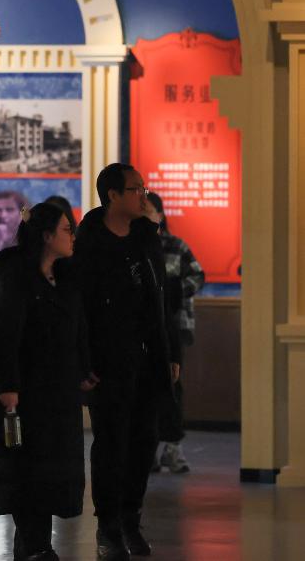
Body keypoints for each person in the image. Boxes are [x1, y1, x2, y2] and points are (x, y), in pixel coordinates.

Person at [74, 164, 182, 560]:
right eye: (135, 189)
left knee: (143, 442)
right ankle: (108, 527)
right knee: (111, 444)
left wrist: (171, 353)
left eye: (143, 188)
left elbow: (160, 299)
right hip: (107, 362)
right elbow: (80, 310)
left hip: (148, 359)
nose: (143, 195)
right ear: (114, 195)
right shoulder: (88, 242)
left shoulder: (146, 238)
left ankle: (131, 520)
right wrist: (83, 362)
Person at [0, 202, 93, 561]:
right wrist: (9, 387)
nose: (72, 237)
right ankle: (35, 547)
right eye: (67, 229)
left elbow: (77, 331)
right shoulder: (17, 279)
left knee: (52, 471)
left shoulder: (63, 280)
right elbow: (4, 337)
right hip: (27, 395)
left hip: (58, 394)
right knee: (28, 471)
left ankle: (37, 547)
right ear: (47, 236)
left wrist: (83, 369)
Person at [145, 192, 204, 474]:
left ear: (161, 214)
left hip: (175, 326)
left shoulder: (176, 246)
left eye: (150, 211)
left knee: (172, 386)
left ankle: (172, 447)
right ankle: (151, 448)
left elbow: (197, 275)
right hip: (145, 329)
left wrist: (175, 293)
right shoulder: (135, 247)